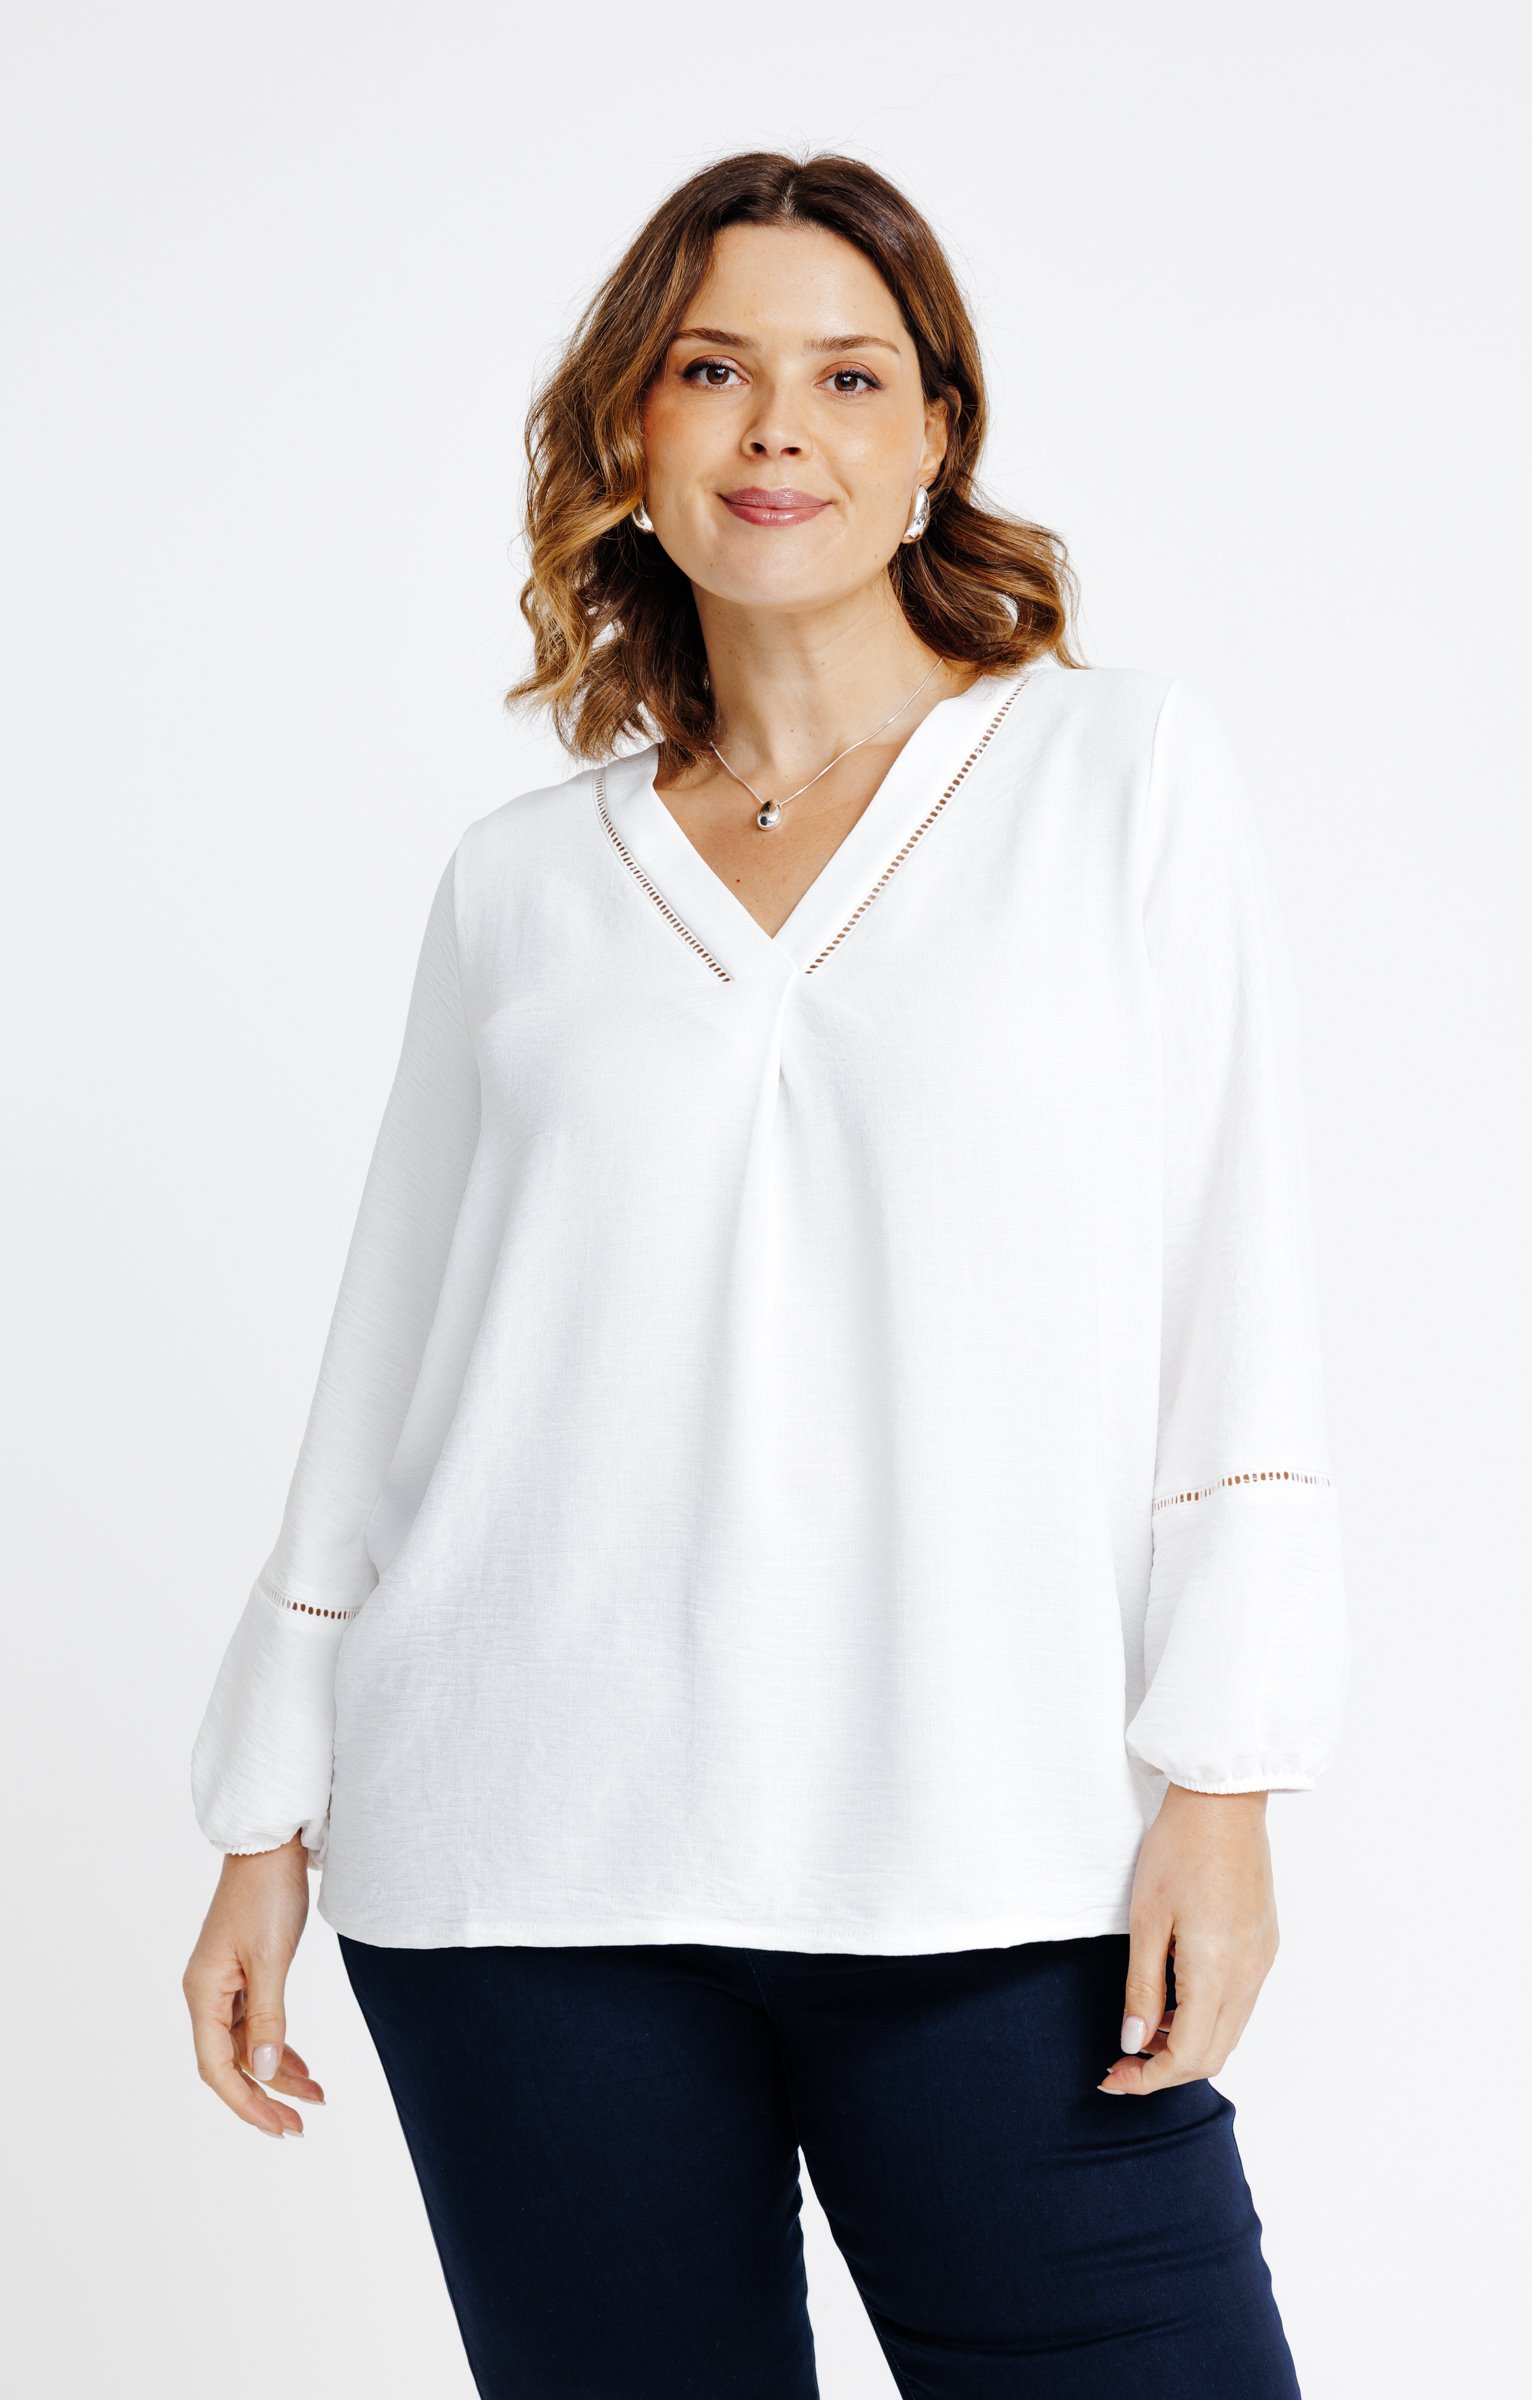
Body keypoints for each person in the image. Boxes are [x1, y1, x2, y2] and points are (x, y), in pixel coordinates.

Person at [182, 149, 1349, 2397]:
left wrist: (1227, 1778)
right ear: (632, 431)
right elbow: (395, 1365)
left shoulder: (1113, 779)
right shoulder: (520, 883)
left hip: (994, 1860)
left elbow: (1240, 1289)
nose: (777, 428)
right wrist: (263, 1818)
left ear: (935, 439)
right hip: (526, 1870)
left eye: (847, 374)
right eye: (712, 371)